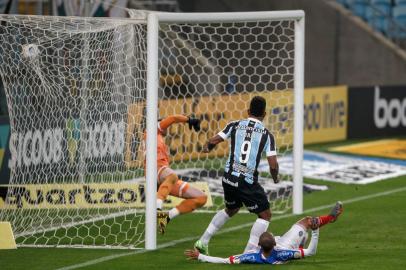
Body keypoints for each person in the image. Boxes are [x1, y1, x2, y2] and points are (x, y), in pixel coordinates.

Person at [194, 96, 279, 255]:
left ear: (248, 111)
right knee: (265, 214)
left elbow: (213, 140)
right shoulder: (267, 135)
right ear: (265, 114)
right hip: (246, 181)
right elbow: (273, 165)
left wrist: (207, 148)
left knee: (231, 208)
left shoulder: (235, 125)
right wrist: (275, 178)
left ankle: (203, 240)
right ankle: (248, 252)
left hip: (228, 178)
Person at [185, 201, 343, 264]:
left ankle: (306, 236)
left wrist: (200, 256)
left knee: (305, 230)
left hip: (276, 249)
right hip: (288, 244)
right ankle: (330, 218)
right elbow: (311, 252)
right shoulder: (283, 253)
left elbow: (224, 260)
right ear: (275, 242)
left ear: (258, 245)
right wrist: (316, 232)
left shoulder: (251, 256)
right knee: (308, 221)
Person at [144, 114, 207, 234]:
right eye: (163, 123)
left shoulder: (157, 138)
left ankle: (166, 216)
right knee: (172, 176)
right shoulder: (152, 130)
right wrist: (190, 120)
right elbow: (173, 118)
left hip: (162, 175)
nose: (166, 127)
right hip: (154, 169)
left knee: (201, 198)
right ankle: (157, 209)